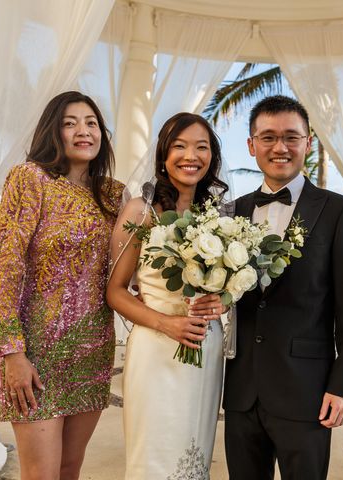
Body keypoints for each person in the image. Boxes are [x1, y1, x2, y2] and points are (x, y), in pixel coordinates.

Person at [222, 95, 343, 479]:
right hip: (241, 390)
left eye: (291, 136)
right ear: (252, 145)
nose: (280, 147)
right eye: (268, 137)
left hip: (308, 389)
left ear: (308, 142)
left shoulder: (340, 211)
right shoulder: (230, 213)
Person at [0, 91, 124, 479]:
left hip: (93, 352)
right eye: (70, 123)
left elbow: (125, 268)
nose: (83, 130)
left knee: (69, 468)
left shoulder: (113, 195)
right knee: (41, 473)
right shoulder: (30, 179)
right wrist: (12, 353)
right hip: (35, 355)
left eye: (92, 123)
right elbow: (3, 269)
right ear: (54, 131)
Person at [106, 112, 229, 479]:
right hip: (157, 348)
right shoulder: (140, 212)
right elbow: (115, 291)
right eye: (180, 146)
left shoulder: (219, 217)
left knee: (194, 456)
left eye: (201, 147)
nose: (191, 155)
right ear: (163, 154)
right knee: (155, 457)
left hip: (205, 348)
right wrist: (168, 324)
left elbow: (227, 285)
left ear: (212, 158)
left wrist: (223, 299)